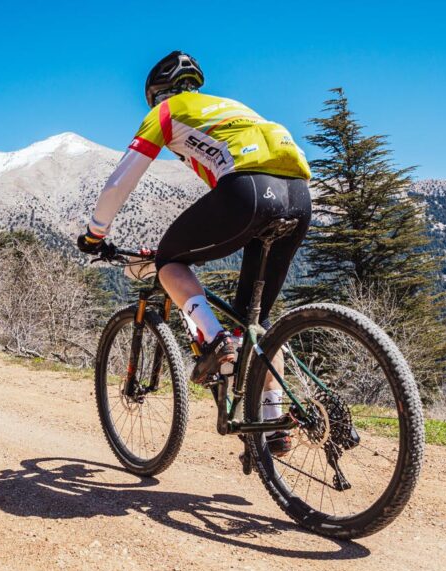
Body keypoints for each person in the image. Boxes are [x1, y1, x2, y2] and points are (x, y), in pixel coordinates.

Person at [77, 51, 312, 454]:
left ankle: (216, 342)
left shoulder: (167, 112)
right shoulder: (231, 109)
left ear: (157, 95)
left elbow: (120, 182)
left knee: (170, 261)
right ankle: (274, 425)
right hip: (300, 197)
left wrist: (95, 234)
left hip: (250, 191)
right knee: (255, 323)